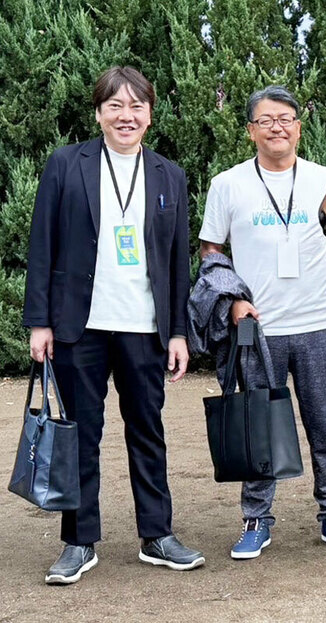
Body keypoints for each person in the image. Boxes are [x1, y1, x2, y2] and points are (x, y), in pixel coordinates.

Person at [23, 66, 204, 585]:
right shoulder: (65, 164)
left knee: (148, 431)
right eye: (115, 106)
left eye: (136, 106)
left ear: (150, 113)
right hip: (80, 326)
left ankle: (157, 535)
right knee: (80, 435)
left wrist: (176, 332)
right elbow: (43, 246)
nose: (127, 116)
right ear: (98, 113)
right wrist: (40, 321)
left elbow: (177, 262)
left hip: (145, 328)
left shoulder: (169, 173)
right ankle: (79, 542)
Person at [198, 85, 326, 560]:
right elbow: (212, 252)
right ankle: (256, 519)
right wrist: (232, 302)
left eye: (286, 118)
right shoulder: (227, 185)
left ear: (298, 127)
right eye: (266, 119)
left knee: (323, 425)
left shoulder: (325, 181)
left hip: (317, 324)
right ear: (251, 130)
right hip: (256, 330)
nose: (277, 126)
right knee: (258, 426)